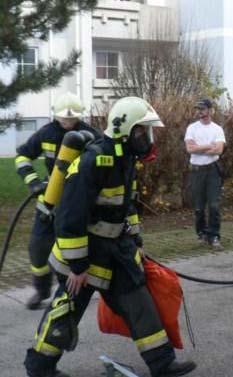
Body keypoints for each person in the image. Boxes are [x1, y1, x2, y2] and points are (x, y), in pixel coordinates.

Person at [24, 97, 196, 377]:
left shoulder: (125, 158)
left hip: (117, 252)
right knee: (65, 313)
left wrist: (135, 241)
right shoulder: (93, 161)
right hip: (85, 256)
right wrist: (77, 267)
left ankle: (163, 364)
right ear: (124, 129)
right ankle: (39, 368)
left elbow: (125, 206)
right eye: (142, 131)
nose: (146, 138)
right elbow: (69, 218)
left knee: (140, 303)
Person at [14, 92, 100, 310]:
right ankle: (41, 290)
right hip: (49, 198)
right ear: (55, 116)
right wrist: (33, 182)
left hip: (77, 199)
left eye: (72, 119)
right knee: (38, 247)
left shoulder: (90, 134)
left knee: (78, 248)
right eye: (64, 119)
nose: (68, 123)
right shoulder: (46, 132)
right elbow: (22, 156)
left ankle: (78, 291)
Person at [184, 98, 226, 250]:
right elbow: (190, 149)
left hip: (212, 171)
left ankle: (214, 236)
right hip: (197, 170)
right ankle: (202, 234)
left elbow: (219, 150)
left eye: (202, 109)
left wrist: (199, 147)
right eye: (198, 109)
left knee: (214, 205)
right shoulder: (192, 128)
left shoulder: (217, 129)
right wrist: (209, 146)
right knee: (199, 208)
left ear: (210, 110)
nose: (199, 112)